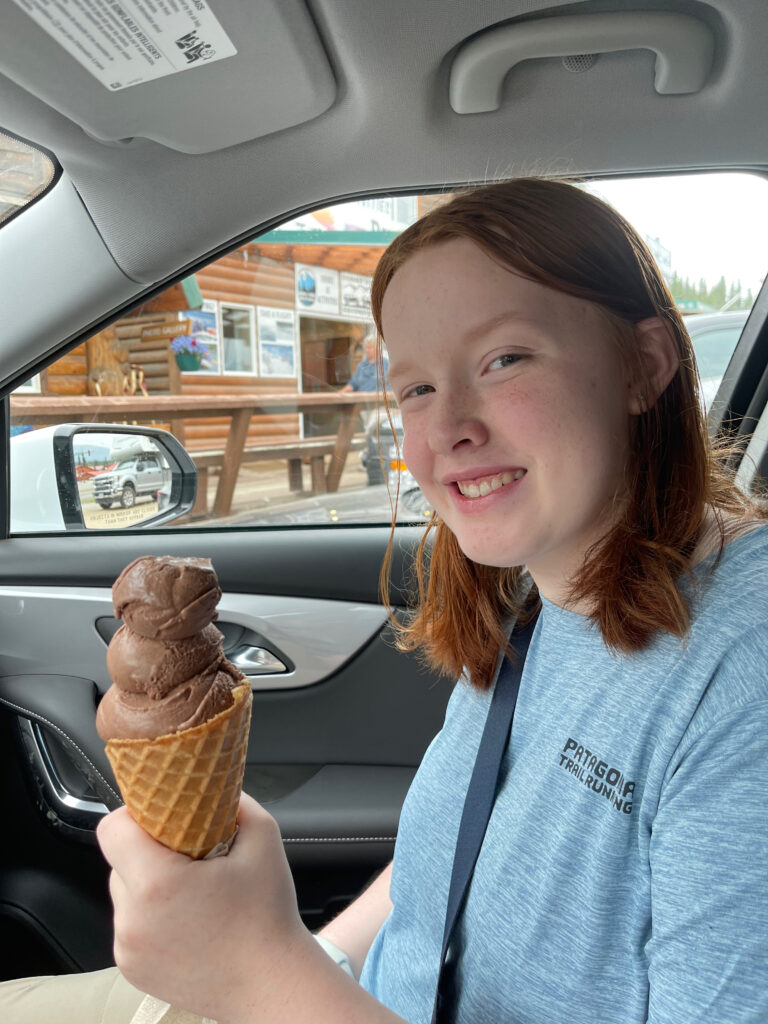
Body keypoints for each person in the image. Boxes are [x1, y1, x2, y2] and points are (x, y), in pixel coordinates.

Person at [3, 177, 768, 1023]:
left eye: (503, 359)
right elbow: (458, 852)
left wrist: (261, 974)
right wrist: (315, 959)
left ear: (645, 364)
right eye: (415, 389)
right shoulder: (540, 593)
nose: (447, 430)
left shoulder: (746, 669)